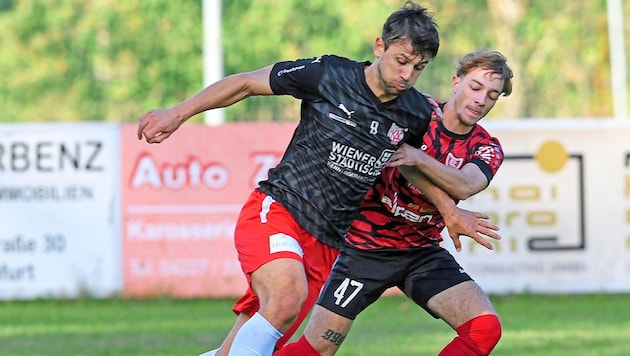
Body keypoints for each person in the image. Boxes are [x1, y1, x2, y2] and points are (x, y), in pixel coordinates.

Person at [136, 2, 456, 355]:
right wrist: (177, 113)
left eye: (419, 67)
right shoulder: (329, 74)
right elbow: (244, 84)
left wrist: (450, 211)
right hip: (278, 211)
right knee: (287, 298)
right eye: (402, 60)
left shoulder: (415, 113)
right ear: (379, 46)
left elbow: (407, 164)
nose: (408, 74)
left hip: (328, 242)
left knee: (255, 337)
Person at [274, 48, 514, 356]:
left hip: (421, 253)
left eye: (492, 95)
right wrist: (447, 207)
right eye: (476, 87)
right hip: (364, 247)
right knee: (317, 347)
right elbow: (388, 149)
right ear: (456, 82)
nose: (481, 100)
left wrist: (420, 158)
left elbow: (466, 184)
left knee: (484, 328)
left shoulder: (486, 147)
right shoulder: (416, 111)